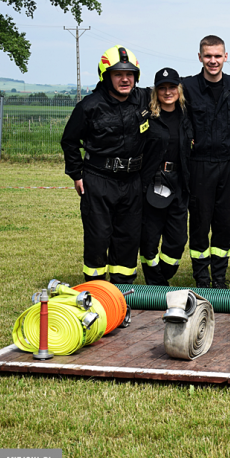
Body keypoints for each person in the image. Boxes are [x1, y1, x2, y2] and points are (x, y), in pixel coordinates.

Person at [61, 45, 150, 283]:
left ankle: (122, 291)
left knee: (129, 238)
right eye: (118, 74)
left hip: (132, 181)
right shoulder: (89, 107)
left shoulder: (144, 99)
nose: (124, 79)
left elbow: (175, 87)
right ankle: (96, 290)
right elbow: (69, 141)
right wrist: (76, 174)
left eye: (129, 74)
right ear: (105, 75)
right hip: (99, 180)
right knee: (98, 237)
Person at [181, 36, 230, 289]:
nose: (213, 61)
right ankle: (202, 279)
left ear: (225, 57)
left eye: (218, 56)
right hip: (200, 164)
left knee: (224, 223)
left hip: (229, 164)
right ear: (200, 57)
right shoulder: (187, 87)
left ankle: (219, 278)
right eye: (208, 56)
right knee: (199, 222)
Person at [139, 68, 193, 286]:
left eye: (172, 87)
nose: (168, 92)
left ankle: (165, 274)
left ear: (179, 89)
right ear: (156, 91)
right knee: (150, 237)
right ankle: (155, 281)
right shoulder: (147, 116)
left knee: (178, 239)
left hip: (179, 182)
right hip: (154, 181)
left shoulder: (187, 115)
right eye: (162, 88)